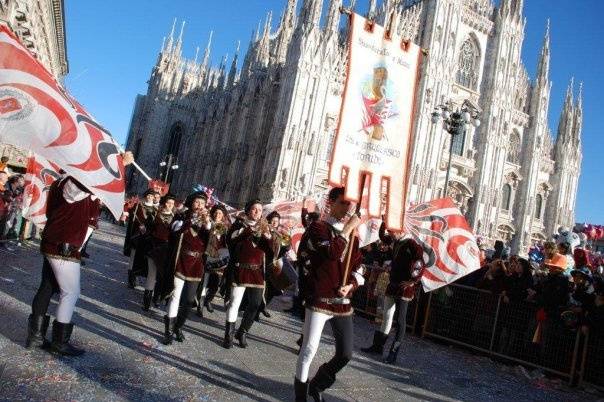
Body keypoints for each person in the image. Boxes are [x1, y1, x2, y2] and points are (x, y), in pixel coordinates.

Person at [24, 155, 131, 355]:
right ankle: (59, 342)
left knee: (47, 287)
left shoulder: (63, 183)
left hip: (55, 242)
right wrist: (118, 165)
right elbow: (92, 184)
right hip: (63, 246)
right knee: (70, 292)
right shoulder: (72, 184)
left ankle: (36, 337)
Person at [294, 187, 364, 401]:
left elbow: (359, 268)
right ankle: (300, 397)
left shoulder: (353, 237)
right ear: (330, 203)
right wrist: (347, 229)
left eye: (349, 204)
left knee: (345, 354)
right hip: (320, 299)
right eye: (342, 203)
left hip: (342, 302)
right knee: (309, 350)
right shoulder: (318, 228)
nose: (346, 208)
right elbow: (331, 252)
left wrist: (351, 284)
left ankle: (318, 384)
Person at [362, 235, 424, 365]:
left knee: (400, 321)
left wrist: (413, 281)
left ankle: (393, 353)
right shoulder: (397, 242)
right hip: (392, 284)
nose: (392, 232)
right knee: (386, 315)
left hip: (403, 288)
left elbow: (419, 263)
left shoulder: (412, 244)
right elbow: (383, 238)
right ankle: (378, 347)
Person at [222, 199, 274, 349]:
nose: (257, 212)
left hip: (257, 272)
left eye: (260, 209)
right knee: (234, 303)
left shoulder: (265, 228)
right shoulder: (239, 225)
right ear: (248, 211)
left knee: (256, 303)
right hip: (240, 269)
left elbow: (271, 251)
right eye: (254, 209)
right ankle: (229, 335)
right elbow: (230, 241)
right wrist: (246, 230)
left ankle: (243, 331)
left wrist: (268, 236)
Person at [160, 191, 211, 345]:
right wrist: (189, 220)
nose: (199, 206)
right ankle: (168, 330)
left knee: (189, 300)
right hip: (181, 260)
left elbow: (209, 238)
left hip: (196, 263)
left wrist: (207, 222)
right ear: (191, 203)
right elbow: (174, 231)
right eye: (197, 202)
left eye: (202, 203)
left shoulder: (206, 221)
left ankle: (178, 326)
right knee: (175, 296)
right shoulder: (182, 216)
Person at [141, 193, 176, 311]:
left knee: (162, 276)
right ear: (164, 203)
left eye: (172, 203)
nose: (170, 205)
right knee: (152, 274)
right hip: (155, 246)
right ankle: (146, 301)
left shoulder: (176, 216)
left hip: (167, 249)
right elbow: (149, 228)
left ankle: (156, 298)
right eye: (168, 203)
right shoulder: (156, 213)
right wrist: (144, 229)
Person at [196, 204, 230, 318]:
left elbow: (226, 243)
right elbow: (204, 232)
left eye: (220, 213)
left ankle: (208, 300)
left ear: (223, 216)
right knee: (204, 282)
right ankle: (200, 306)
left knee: (215, 283)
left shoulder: (225, 228)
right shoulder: (208, 223)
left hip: (218, 257)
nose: (217, 215)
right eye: (216, 213)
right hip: (207, 255)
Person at [123, 188, 158, 288]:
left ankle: (138, 274)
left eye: (152, 196)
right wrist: (138, 226)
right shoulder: (139, 206)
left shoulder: (156, 209)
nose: (150, 197)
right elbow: (133, 219)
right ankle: (131, 279)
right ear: (146, 196)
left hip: (148, 237)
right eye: (148, 196)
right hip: (137, 236)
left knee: (142, 258)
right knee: (133, 257)